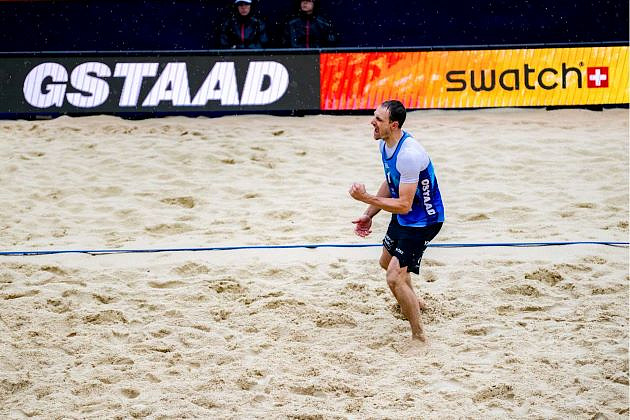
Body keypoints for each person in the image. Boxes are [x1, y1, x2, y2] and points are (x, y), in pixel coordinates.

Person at [349, 100, 445, 342]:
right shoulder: (385, 143)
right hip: (405, 217)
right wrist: (369, 214)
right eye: (374, 116)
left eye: (378, 119)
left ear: (393, 125)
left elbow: (404, 204)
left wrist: (365, 197)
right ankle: (416, 303)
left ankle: (419, 336)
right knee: (386, 262)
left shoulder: (409, 155)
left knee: (394, 277)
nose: (372, 122)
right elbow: (391, 181)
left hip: (423, 222)